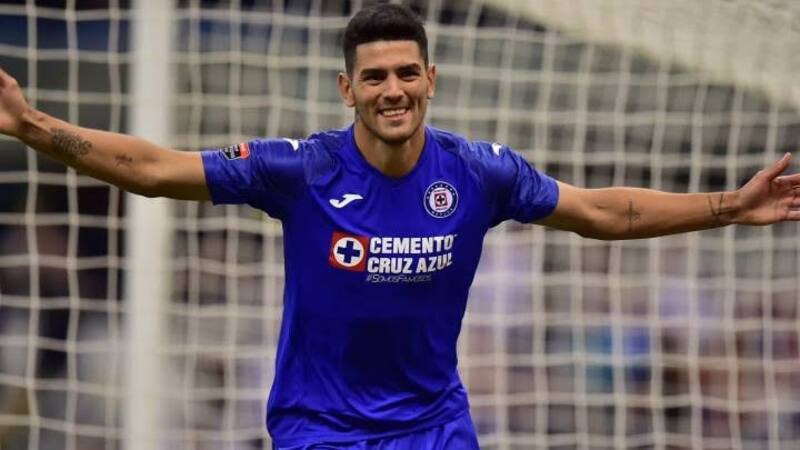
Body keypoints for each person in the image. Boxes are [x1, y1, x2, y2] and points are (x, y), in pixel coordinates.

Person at [1, 3, 799, 449]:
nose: (394, 89)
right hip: (320, 427)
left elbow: (599, 211)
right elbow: (152, 168)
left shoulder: (479, 173)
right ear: (347, 89)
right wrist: (33, 125)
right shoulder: (301, 170)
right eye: (375, 76)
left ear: (431, 79)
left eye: (407, 72)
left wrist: (728, 206)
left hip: (432, 424)